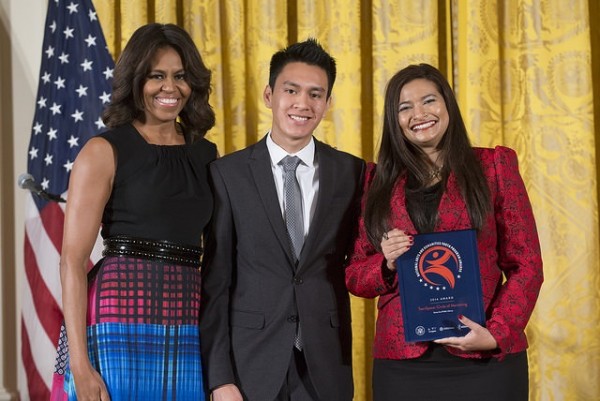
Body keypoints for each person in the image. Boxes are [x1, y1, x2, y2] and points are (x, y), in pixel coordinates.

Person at [345, 63, 543, 401]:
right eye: (404, 107)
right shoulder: (375, 182)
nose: (418, 114)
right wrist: (386, 263)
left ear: (447, 104)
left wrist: (496, 334)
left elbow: (527, 264)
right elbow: (354, 276)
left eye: (429, 101)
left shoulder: (494, 167)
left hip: (486, 360)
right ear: (395, 121)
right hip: (404, 366)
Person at [50, 23, 217, 400]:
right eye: (156, 76)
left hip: (190, 317)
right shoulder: (102, 151)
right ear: (135, 80)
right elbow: (72, 262)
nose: (170, 88)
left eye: (180, 76)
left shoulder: (206, 155)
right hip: (118, 317)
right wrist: (80, 362)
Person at [199, 38, 364, 401]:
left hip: (324, 363)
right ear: (269, 95)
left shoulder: (352, 172)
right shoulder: (227, 175)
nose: (303, 104)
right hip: (249, 367)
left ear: (328, 102)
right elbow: (216, 283)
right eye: (292, 90)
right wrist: (219, 377)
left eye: (315, 94)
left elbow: (361, 257)